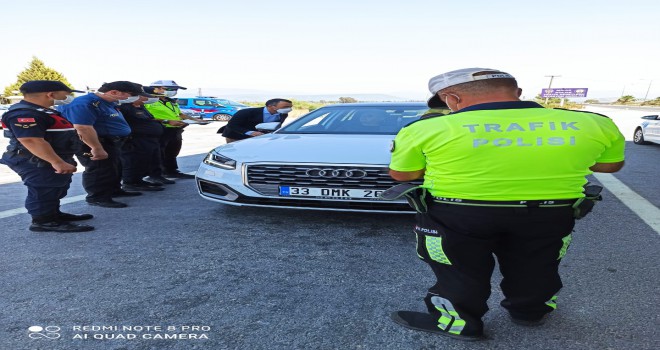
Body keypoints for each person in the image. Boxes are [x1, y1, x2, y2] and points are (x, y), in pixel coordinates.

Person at [388, 68, 625, 340]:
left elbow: (404, 175)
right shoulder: (594, 123)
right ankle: (530, 313)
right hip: (549, 212)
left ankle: (460, 324)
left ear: (451, 98)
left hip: (457, 214)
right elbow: (609, 165)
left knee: (459, 270)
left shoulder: (426, 128)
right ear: (518, 93)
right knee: (538, 264)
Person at [0, 81, 94, 232]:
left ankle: (53, 214)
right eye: (67, 94)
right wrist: (57, 162)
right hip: (36, 160)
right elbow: (31, 140)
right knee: (43, 188)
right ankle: (43, 221)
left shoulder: (43, 111)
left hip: (50, 158)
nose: (69, 97)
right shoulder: (24, 113)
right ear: (51, 94)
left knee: (55, 187)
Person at [60, 81, 145, 208]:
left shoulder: (109, 102)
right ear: (114, 92)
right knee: (99, 168)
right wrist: (96, 148)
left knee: (113, 168)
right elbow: (83, 127)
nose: (132, 98)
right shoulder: (85, 103)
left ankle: (114, 190)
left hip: (111, 141)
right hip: (93, 142)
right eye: (131, 94)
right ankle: (97, 197)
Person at [144, 80, 198, 181]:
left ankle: (171, 171)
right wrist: (167, 121)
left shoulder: (171, 101)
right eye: (171, 89)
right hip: (160, 129)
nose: (174, 91)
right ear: (157, 88)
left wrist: (195, 120)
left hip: (175, 129)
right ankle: (157, 174)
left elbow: (180, 114)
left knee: (172, 152)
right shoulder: (148, 101)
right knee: (158, 152)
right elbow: (146, 117)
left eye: (175, 89)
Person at [118, 85, 166, 192]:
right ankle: (130, 183)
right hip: (136, 140)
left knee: (145, 161)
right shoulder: (125, 108)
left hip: (149, 139)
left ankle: (138, 180)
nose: (146, 99)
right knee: (133, 162)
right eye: (143, 97)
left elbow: (149, 120)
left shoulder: (141, 108)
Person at [219, 98, 292, 143]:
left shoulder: (283, 114)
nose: (289, 109)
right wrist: (251, 132)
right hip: (236, 135)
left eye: (290, 107)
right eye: (285, 107)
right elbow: (232, 125)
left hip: (260, 137)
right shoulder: (247, 112)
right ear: (271, 106)